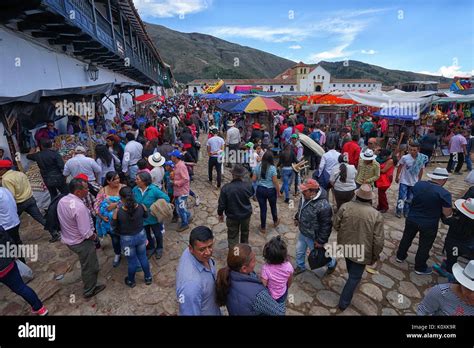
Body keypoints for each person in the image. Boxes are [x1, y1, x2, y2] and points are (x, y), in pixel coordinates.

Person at [334, 184, 384, 310]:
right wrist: (375, 255)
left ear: (357, 195)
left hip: (346, 246)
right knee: (354, 277)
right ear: (370, 199)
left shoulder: (345, 207)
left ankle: (351, 284)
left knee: (351, 268)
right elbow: (378, 241)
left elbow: (335, 225)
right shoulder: (376, 215)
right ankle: (343, 303)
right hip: (362, 251)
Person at [396, 167, 452, 275]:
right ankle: (420, 267)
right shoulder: (444, 194)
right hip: (429, 223)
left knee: (406, 238)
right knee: (424, 245)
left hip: (412, 218)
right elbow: (447, 213)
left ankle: (400, 256)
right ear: (443, 180)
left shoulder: (418, 184)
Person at [57, 178, 106, 298]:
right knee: (90, 266)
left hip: (69, 238)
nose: (88, 190)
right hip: (81, 242)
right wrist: (95, 237)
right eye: (86, 188)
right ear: (78, 192)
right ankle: (89, 290)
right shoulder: (79, 207)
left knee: (86, 263)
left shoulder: (63, 200)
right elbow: (86, 233)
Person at [216, 243, 285, 315]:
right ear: (244, 269)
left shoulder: (226, 277)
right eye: (254, 260)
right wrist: (284, 294)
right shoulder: (258, 295)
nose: (256, 261)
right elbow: (280, 312)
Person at [0, 160, 59, 242]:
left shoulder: (5, 179)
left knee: (12, 223)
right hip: (29, 199)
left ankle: (14, 241)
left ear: (3, 169)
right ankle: (54, 232)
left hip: (19, 203)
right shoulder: (19, 173)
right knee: (40, 218)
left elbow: (10, 195)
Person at [0, 230, 48, 315]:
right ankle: (40, 308)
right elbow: (7, 239)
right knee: (21, 287)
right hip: (7, 262)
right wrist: (13, 252)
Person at [293, 178, 335, 275]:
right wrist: (297, 217)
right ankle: (300, 266)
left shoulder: (324, 206)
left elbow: (326, 226)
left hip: (314, 237)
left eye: (305, 190)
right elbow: (302, 209)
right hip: (303, 232)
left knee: (319, 256)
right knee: (299, 251)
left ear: (313, 191)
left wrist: (320, 241)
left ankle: (332, 263)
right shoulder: (305, 197)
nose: (302, 192)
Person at [176, 226, 221, 315]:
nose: (208, 252)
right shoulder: (191, 286)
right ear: (191, 249)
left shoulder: (194, 253)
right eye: (202, 249)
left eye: (210, 246)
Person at [112, 186, 152, 287]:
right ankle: (148, 278)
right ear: (133, 195)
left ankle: (131, 281)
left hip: (126, 240)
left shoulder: (118, 212)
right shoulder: (141, 206)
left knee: (131, 261)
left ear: (121, 198)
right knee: (143, 257)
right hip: (141, 235)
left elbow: (113, 228)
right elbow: (146, 216)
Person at [434, 197, 474, 280]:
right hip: (467, 246)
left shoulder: (455, 220)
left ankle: (449, 274)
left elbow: (445, 220)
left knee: (453, 258)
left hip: (454, 246)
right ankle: (448, 264)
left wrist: (442, 211)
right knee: (455, 256)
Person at [133, 172, 170, 259]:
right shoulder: (135, 190)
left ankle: (159, 248)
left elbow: (166, 199)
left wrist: (155, 207)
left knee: (157, 233)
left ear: (144, 181)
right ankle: (151, 247)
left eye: (137, 179)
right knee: (146, 234)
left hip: (154, 218)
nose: (135, 181)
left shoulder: (154, 190)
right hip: (142, 218)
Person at [218, 164, 254, 249]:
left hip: (232, 216)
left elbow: (222, 204)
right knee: (245, 234)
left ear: (232, 175)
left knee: (233, 237)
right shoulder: (248, 186)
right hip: (245, 215)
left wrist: (220, 214)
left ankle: (235, 256)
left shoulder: (226, 188)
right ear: (243, 175)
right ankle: (244, 253)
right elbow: (252, 194)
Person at [94, 171, 125, 267]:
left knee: (125, 237)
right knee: (115, 239)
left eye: (118, 178)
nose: (117, 180)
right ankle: (117, 254)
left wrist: (115, 205)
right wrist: (102, 216)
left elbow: (130, 200)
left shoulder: (123, 187)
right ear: (108, 181)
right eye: (114, 179)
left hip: (123, 219)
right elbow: (96, 205)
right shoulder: (103, 191)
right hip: (110, 222)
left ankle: (128, 252)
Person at [394, 143, 428, 218]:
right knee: (401, 197)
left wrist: (419, 180)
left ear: (418, 150)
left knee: (410, 198)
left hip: (414, 182)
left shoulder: (421, 158)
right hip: (404, 180)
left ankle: (407, 211)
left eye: (414, 150)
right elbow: (400, 166)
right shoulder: (405, 157)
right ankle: (399, 211)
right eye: (410, 150)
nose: (412, 151)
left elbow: (421, 170)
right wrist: (397, 176)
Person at [252, 151, 281, 234]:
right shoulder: (272, 168)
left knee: (263, 209)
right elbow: (275, 181)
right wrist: (278, 191)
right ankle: (275, 221)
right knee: (273, 207)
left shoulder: (258, 166)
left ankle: (263, 227)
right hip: (271, 190)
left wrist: (259, 179)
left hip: (260, 190)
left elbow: (253, 179)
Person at [261, 236, 294, 303]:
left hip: (270, 295)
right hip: (282, 293)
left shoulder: (266, 268)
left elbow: (263, 285)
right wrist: (287, 287)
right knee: (280, 306)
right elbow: (290, 280)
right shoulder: (288, 266)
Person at [169, 150, 191, 232]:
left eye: (172, 156)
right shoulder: (176, 165)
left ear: (175, 157)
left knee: (181, 209)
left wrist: (175, 182)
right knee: (181, 207)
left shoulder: (181, 166)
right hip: (178, 191)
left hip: (182, 191)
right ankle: (188, 216)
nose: (171, 157)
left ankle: (185, 224)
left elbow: (186, 179)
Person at [0, 187, 23, 262]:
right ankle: (22, 262)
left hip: (6, 225)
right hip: (14, 220)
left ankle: (19, 265)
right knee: (16, 243)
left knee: (8, 249)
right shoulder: (4, 190)